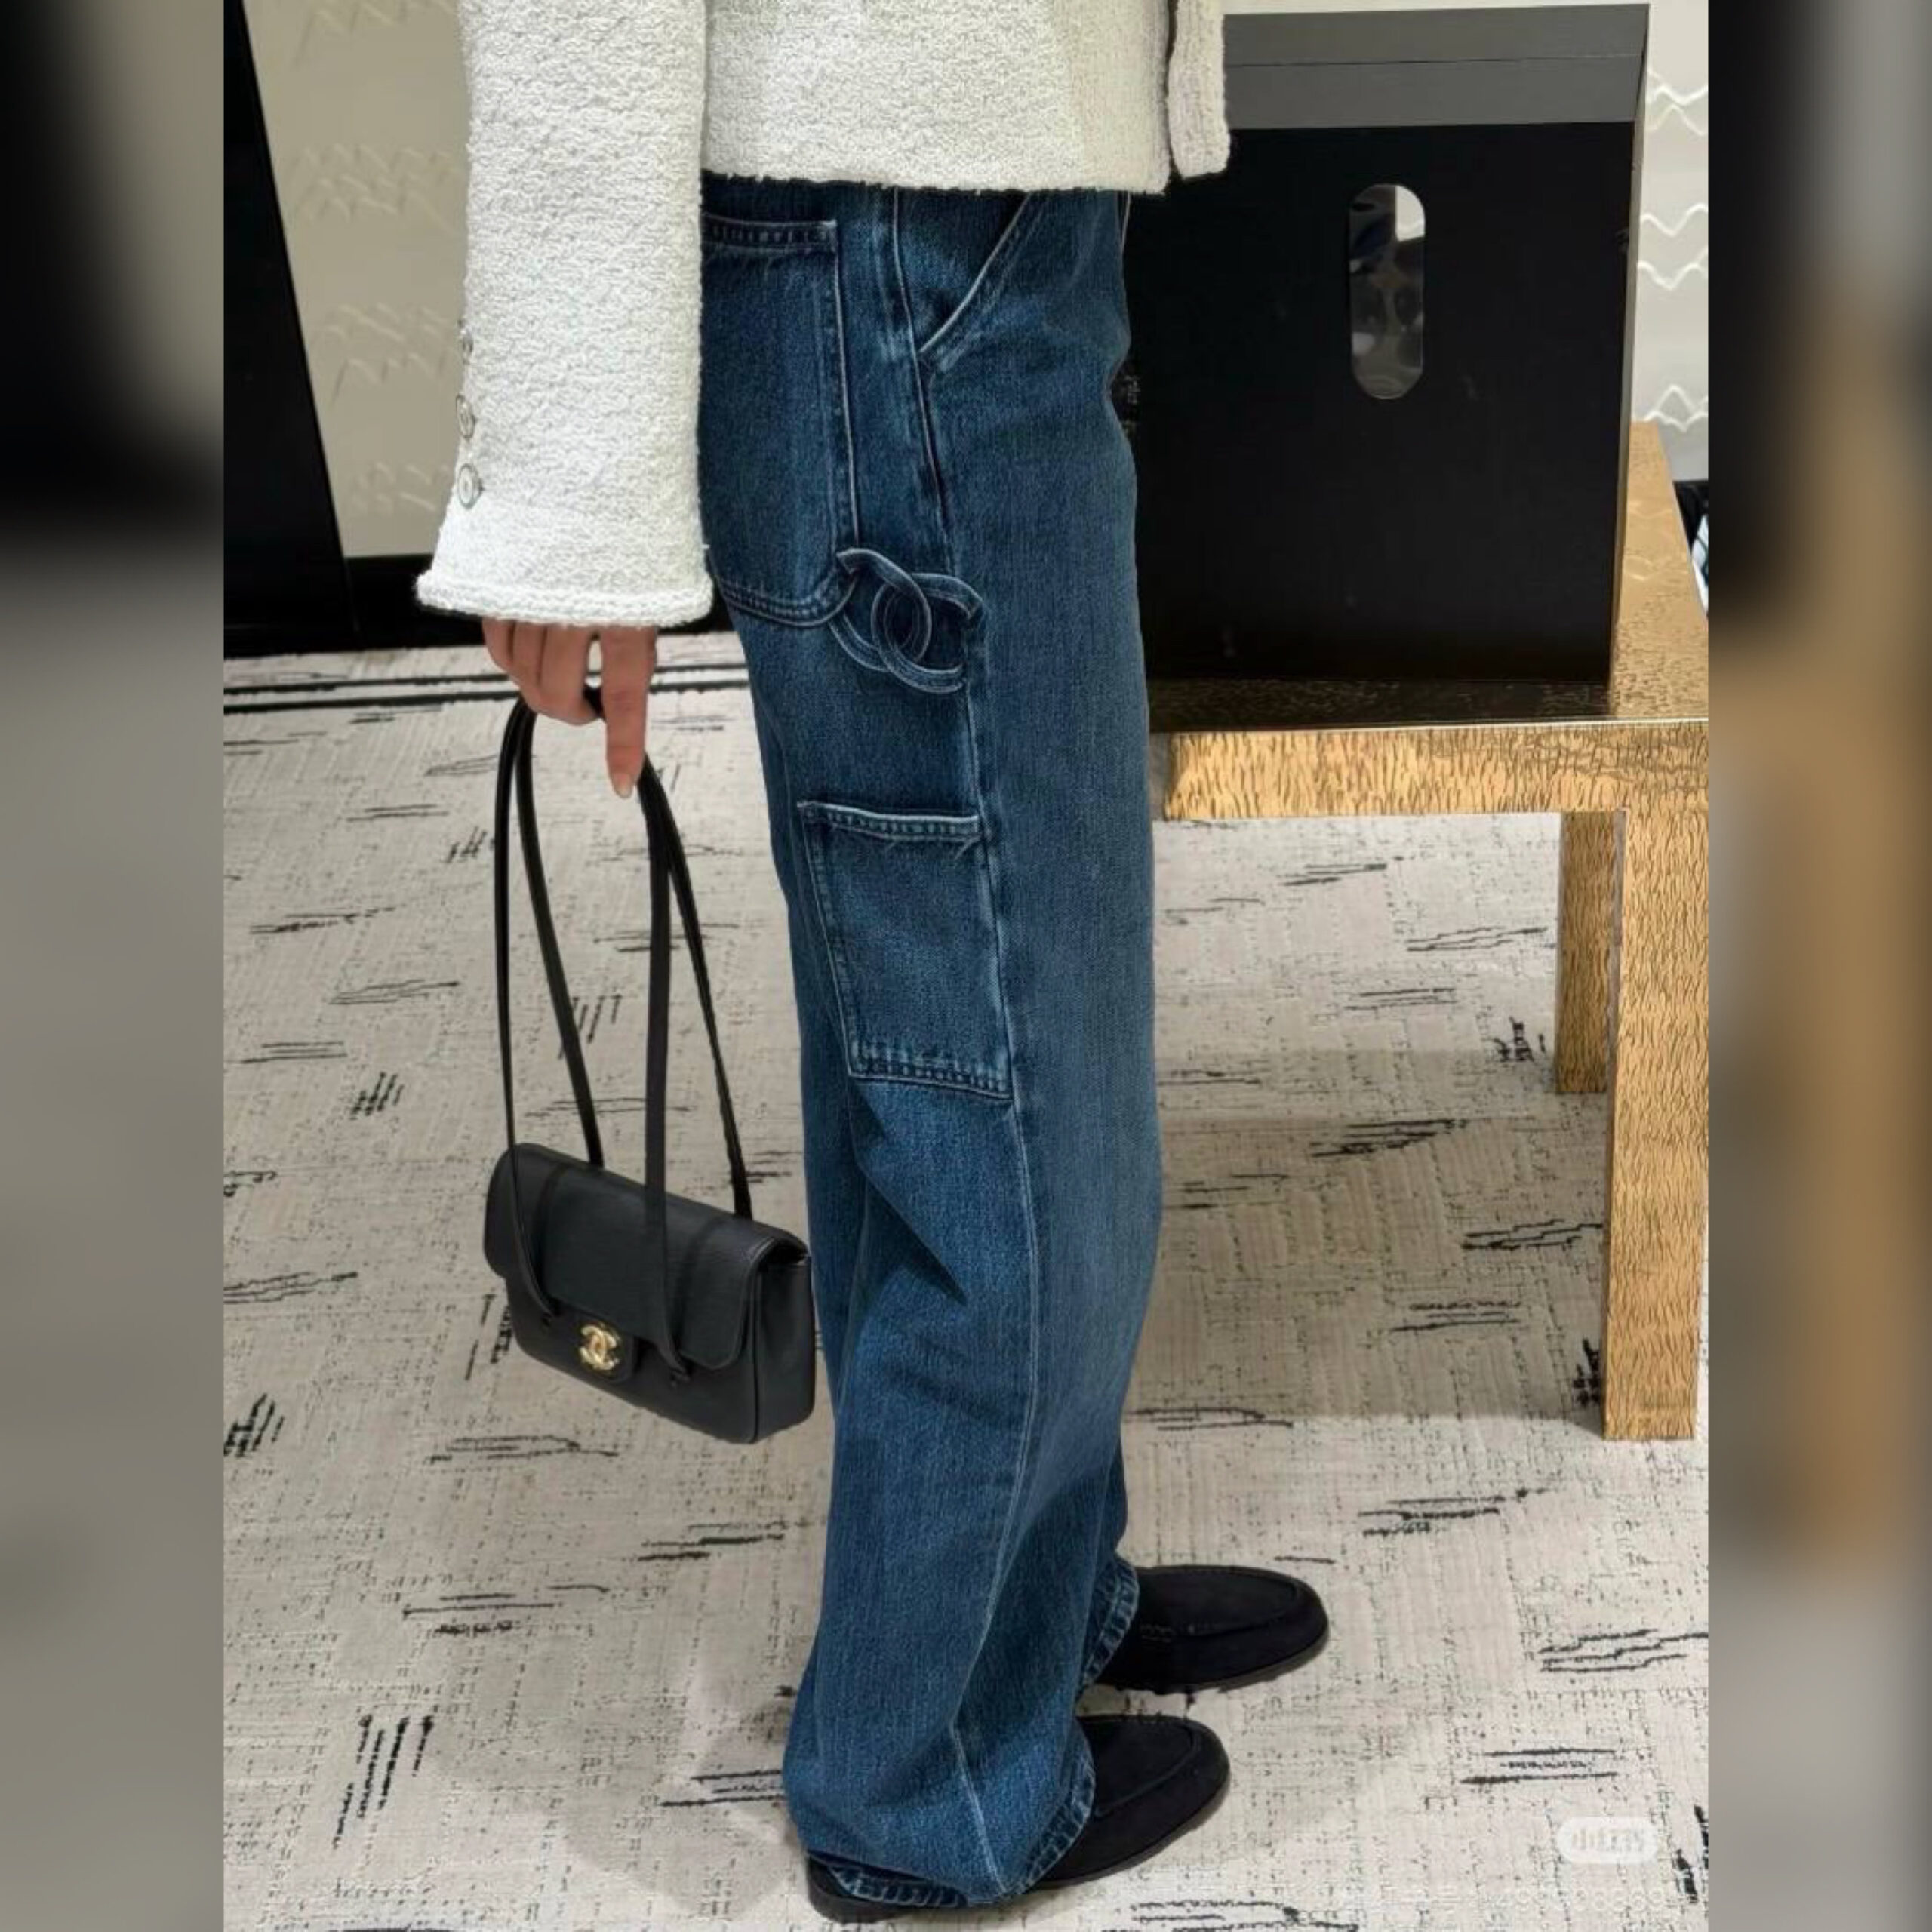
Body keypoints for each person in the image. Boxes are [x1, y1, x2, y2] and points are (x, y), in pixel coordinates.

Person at [417, 3, 1328, 1917]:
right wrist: (567, 496)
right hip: (897, 252)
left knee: (979, 1021)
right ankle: (926, 1776)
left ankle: (1031, 1592)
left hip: (961, 227)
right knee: (998, 1065)